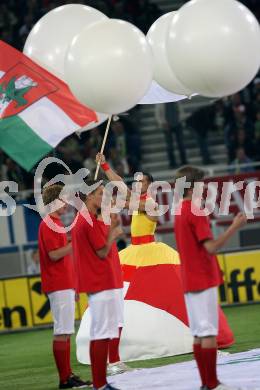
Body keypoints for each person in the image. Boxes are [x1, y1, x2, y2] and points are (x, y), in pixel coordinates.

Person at [174, 166, 247, 390]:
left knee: (198, 334)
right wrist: (234, 226)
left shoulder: (180, 210)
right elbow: (211, 247)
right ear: (193, 185)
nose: (205, 187)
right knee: (207, 334)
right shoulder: (195, 210)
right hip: (202, 278)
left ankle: (206, 383)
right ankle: (212, 383)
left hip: (189, 279)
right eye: (202, 183)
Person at [72, 180, 124, 390]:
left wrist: (109, 225)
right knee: (101, 334)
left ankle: (101, 382)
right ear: (89, 196)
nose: (104, 196)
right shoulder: (87, 220)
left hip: (99, 281)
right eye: (100, 193)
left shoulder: (86, 218)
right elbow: (102, 251)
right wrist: (113, 233)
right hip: (99, 281)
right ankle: (100, 384)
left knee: (102, 333)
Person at [38, 184, 88, 389]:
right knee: (62, 330)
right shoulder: (50, 223)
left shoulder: (54, 222)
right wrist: (74, 242)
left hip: (62, 283)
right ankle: (65, 378)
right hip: (58, 283)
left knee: (65, 331)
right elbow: (54, 255)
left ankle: (67, 376)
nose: (67, 203)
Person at [155, 102, 187, 168]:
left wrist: (180, 120)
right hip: (166, 126)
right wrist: (163, 123)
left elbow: (181, 111)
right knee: (169, 146)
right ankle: (172, 163)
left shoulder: (176, 101)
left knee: (181, 144)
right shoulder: (160, 102)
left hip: (178, 124)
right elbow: (158, 115)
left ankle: (184, 161)